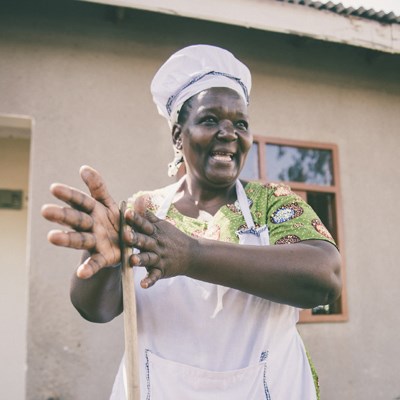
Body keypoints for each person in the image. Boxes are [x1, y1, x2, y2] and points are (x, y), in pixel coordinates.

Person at [41, 44, 342, 399]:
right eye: (210, 119)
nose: (229, 133)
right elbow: (96, 309)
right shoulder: (142, 211)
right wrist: (105, 263)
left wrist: (192, 255)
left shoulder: (273, 204)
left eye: (240, 123)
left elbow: (325, 278)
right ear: (177, 136)